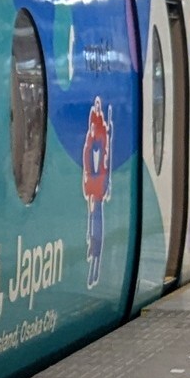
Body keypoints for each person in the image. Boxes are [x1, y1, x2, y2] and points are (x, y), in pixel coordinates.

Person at [82, 95, 113, 285]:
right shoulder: (93, 138)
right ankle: (92, 243)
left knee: (97, 215)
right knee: (92, 214)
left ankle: (96, 249)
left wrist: (106, 182)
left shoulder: (102, 135)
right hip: (93, 183)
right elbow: (87, 157)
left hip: (98, 184)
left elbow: (105, 159)